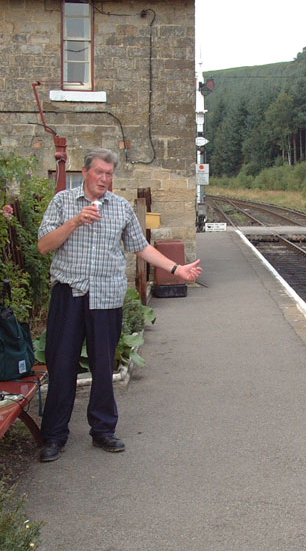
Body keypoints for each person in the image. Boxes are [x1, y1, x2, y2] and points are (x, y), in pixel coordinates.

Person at [36, 149, 202, 462]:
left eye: (109, 174)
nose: (104, 179)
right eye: (99, 172)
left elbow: (142, 248)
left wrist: (177, 270)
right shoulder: (62, 203)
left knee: (102, 366)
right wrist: (75, 222)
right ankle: (54, 436)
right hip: (68, 295)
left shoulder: (121, 208)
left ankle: (102, 430)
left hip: (106, 298)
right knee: (61, 366)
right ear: (85, 172)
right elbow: (44, 246)